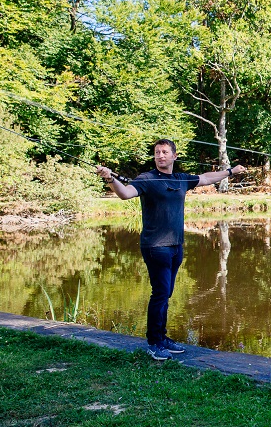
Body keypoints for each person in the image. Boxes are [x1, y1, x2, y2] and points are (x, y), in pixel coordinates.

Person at [96, 139, 245, 361]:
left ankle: (162, 337)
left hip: (176, 246)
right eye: (157, 152)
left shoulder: (180, 179)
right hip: (156, 246)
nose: (160, 156)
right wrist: (110, 178)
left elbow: (206, 178)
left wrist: (230, 171)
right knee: (160, 293)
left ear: (174, 156)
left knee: (166, 294)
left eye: (165, 152)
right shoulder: (147, 179)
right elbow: (125, 193)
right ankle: (154, 342)